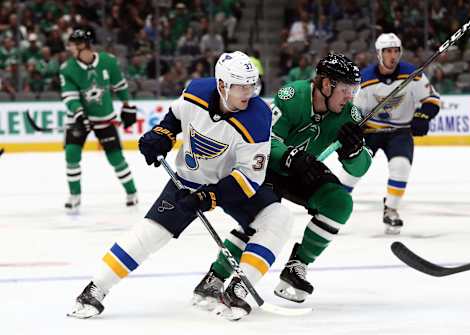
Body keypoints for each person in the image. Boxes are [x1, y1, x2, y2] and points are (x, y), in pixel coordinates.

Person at [68, 51, 293, 321]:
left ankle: (238, 290)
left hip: (232, 185)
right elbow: (174, 118)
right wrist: (160, 136)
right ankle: (95, 288)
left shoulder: (258, 117)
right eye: (240, 87)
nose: (248, 92)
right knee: (150, 233)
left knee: (278, 218)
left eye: (251, 85)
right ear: (222, 85)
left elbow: (250, 178)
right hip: (188, 180)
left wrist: (209, 197)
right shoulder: (196, 91)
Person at [193, 52, 372, 306]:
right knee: (260, 221)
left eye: (354, 90)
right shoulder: (293, 96)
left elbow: (360, 168)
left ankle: (297, 266)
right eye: (345, 89)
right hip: (266, 168)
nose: (350, 96)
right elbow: (266, 139)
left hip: (303, 170)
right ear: (324, 85)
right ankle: (216, 276)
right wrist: (290, 156)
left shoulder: (350, 115)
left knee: (339, 203)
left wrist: (354, 152)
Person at [339, 33, 441, 234]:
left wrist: (423, 116)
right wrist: (353, 125)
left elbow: (432, 99)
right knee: (352, 172)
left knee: (401, 167)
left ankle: (391, 209)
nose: (392, 56)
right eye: (388, 51)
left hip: (400, 132)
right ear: (379, 54)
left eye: (396, 51)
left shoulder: (413, 74)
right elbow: (353, 110)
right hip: (371, 132)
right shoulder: (365, 79)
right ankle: (333, 206)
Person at [60, 29, 139, 213]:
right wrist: (79, 114)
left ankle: (131, 192)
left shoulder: (108, 61)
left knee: (116, 158)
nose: (70, 47)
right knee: (71, 154)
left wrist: (127, 105)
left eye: (72, 44)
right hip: (80, 118)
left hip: (104, 117)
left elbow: (120, 85)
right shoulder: (67, 69)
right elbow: (69, 96)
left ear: (82, 45)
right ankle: (75, 195)